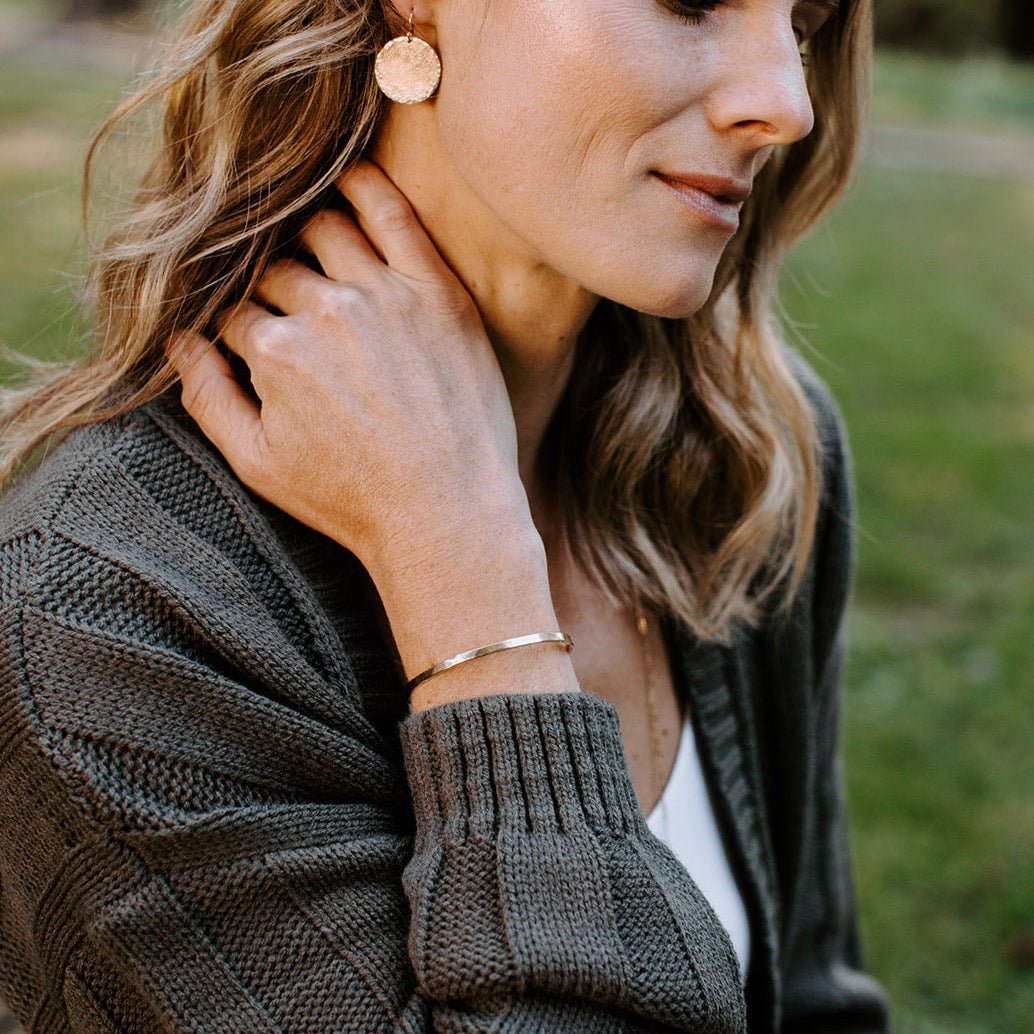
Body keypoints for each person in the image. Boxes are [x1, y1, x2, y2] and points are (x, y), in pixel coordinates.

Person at [0, 0, 892, 1030]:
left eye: (804, 21)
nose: (785, 104)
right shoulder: (103, 623)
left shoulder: (745, 457)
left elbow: (814, 999)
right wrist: (479, 614)